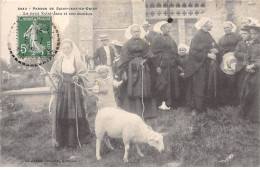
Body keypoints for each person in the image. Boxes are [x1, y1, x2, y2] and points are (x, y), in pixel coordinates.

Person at [50, 39, 92, 149]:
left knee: (75, 113)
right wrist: (56, 85)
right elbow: (53, 75)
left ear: (72, 48)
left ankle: (75, 141)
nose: (66, 50)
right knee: (62, 113)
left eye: (68, 48)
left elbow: (84, 73)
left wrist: (77, 77)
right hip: (62, 90)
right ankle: (62, 141)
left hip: (74, 91)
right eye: (64, 48)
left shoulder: (77, 61)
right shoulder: (58, 61)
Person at [115, 24, 157, 119]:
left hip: (143, 68)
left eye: (137, 31)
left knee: (144, 88)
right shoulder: (127, 44)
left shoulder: (144, 42)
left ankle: (146, 112)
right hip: (131, 68)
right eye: (134, 32)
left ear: (140, 32)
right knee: (134, 88)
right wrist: (123, 72)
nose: (136, 33)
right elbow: (123, 57)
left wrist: (145, 60)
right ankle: (133, 111)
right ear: (131, 33)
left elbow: (149, 54)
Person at [184, 17, 220, 114]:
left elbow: (214, 45)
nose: (212, 24)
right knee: (199, 86)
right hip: (199, 66)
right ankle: (197, 107)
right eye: (210, 23)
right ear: (204, 25)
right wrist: (207, 55)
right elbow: (193, 51)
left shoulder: (208, 34)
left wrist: (216, 50)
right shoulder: (197, 35)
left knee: (207, 85)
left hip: (208, 65)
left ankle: (206, 105)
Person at [151, 21, 182, 110]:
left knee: (172, 82)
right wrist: (157, 66)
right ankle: (162, 103)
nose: (169, 29)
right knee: (163, 83)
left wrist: (177, 62)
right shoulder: (157, 38)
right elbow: (154, 53)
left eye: (169, 28)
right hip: (163, 64)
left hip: (171, 63)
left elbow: (174, 50)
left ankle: (171, 103)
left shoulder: (169, 38)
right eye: (168, 28)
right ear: (162, 28)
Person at [218, 21, 242, 106]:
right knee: (226, 79)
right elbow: (220, 48)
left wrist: (234, 54)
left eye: (228, 27)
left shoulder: (238, 37)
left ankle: (235, 101)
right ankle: (227, 101)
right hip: (226, 59)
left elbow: (240, 46)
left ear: (232, 27)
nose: (226, 29)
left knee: (235, 79)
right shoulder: (221, 38)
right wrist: (224, 54)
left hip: (236, 58)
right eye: (224, 28)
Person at [240, 24, 260, 123]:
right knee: (247, 92)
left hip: (258, 71)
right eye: (251, 33)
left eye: (255, 34)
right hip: (250, 70)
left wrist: (254, 66)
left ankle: (255, 117)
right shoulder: (251, 44)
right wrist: (247, 65)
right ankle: (245, 115)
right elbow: (246, 57)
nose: (252, 36)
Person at [234, 26, 251, 99]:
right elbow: (236, 53)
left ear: (250, 34)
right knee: (241, 84)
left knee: (250, 85)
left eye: (245, 34)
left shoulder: (254, 43)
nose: (243, 35)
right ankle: (240, 101)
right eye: (242, 34)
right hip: (241, 67)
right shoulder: (240, 43)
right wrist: (245, 55)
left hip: (251, 66)